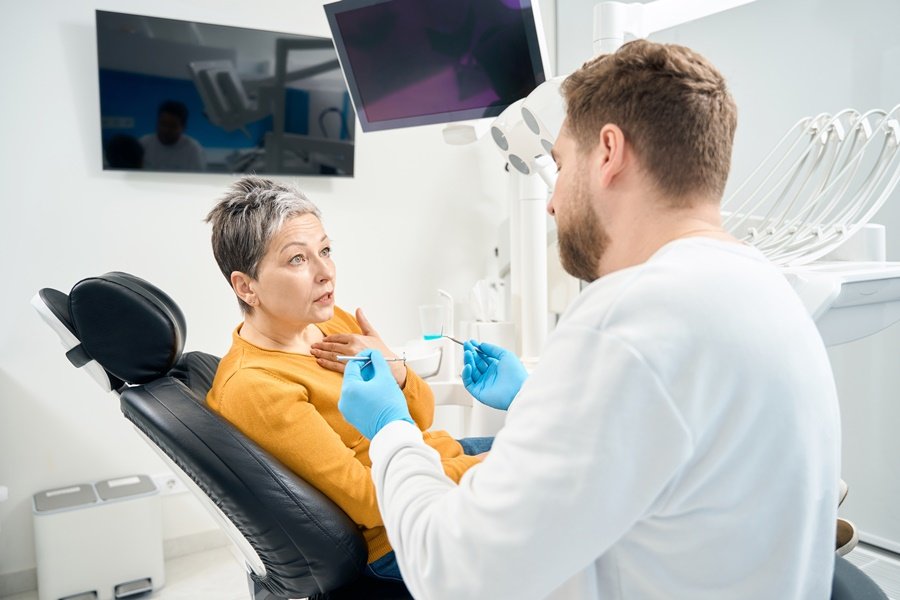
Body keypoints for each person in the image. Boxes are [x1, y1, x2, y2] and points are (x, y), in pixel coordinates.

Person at [338, 39, 841, 599]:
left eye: (558, 163)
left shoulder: (627, 317)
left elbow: (454, 574)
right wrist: (531, 399)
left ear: (607, 152)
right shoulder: (764, 286)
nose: (551, 202)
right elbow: (676, 462)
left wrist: (390, 430)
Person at [203, 175, 490, 583]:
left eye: (325, 250)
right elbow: (369, 503)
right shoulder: (256, 385)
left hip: (432, 463)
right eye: (297, 259)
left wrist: (396, 368)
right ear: (246, 287)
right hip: (399, 533)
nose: (326, 273)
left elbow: (422, 418)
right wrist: (485, 471)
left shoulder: (327, 323)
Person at [140, 100, 206, 172]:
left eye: (172, 126)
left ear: (183, 127)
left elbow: (197, 179)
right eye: (163, 124)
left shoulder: (193, 150)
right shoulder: (144, 143)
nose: (166, 130)